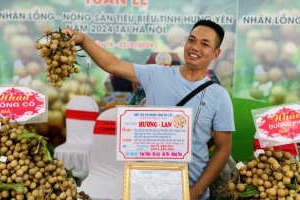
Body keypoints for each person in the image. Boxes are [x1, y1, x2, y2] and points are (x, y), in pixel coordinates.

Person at [62, 19, 235, 200]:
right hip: (146, 189)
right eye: (191, 40)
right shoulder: (156, 74)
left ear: (216, 54)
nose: (195, 47)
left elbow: (223, 149)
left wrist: (196, 191)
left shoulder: (219, 96)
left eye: (204, 44)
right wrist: (82, 40)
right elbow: (113, 65)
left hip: (190, 192)